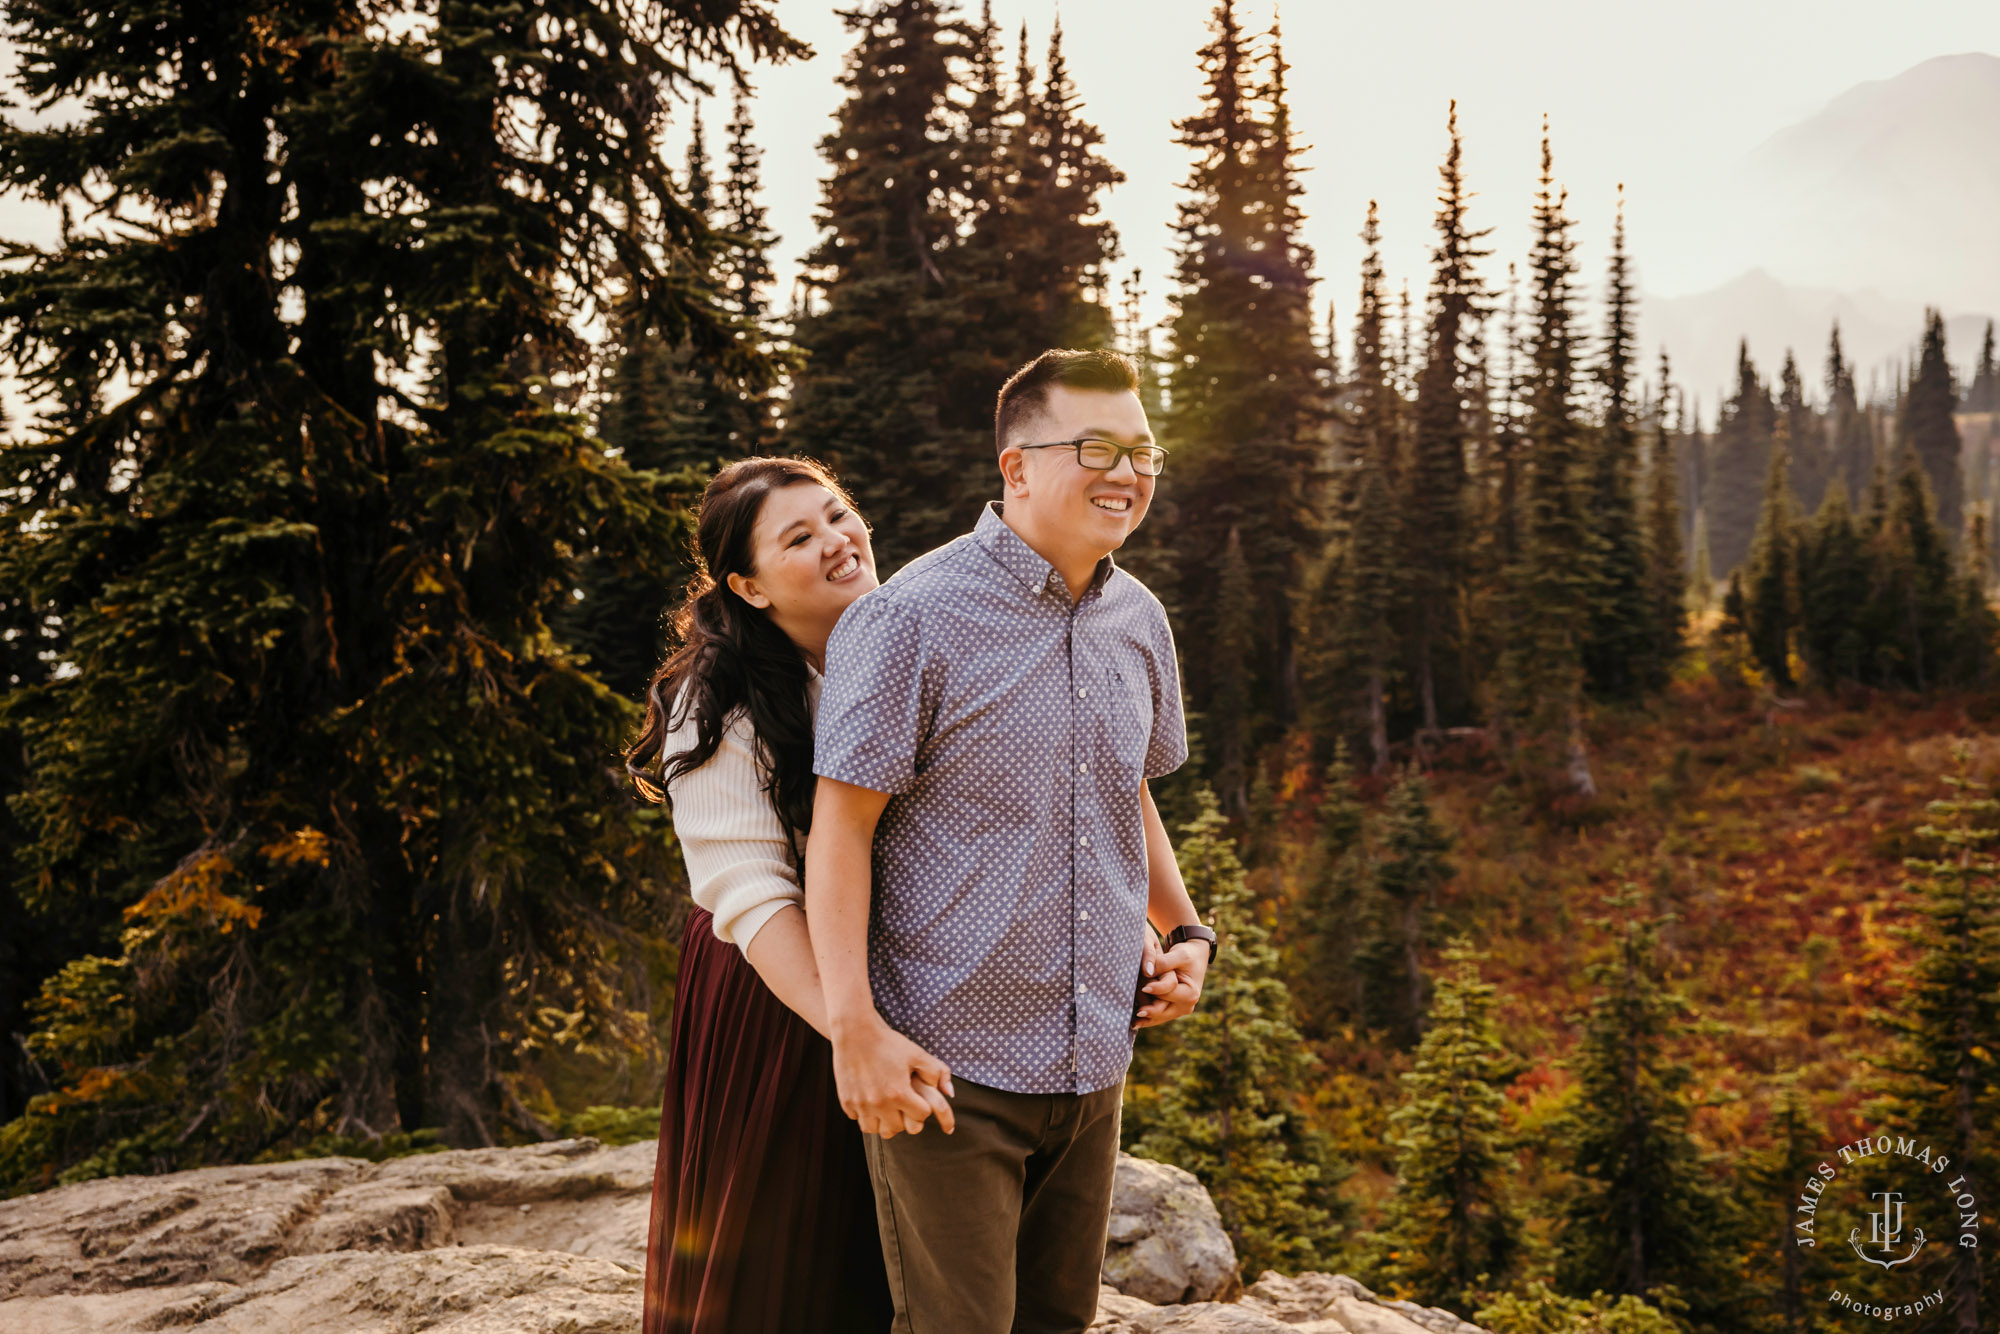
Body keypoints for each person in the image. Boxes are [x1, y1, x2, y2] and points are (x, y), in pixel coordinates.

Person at [806, 348, 1216, 1334]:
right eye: (1095, 446)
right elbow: (839, 830)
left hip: (1093, 1058)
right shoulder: (908, 617)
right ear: (1016, 465)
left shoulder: (1138, 620)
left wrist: (1190, 931)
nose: (1126, 471)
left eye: (1142, 449)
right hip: (948, 1069)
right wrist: (853, 1028)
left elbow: (1126, 792)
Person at [627, 456, 943, 1334]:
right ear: (750, 587)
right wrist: (853, 1029)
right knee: (783, 1253)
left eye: (840, 514)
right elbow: (752, 892)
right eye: (799, 537)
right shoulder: (717, 696)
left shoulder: (910, 643)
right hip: (777, 989)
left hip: (898, 975)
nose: (839, 542)